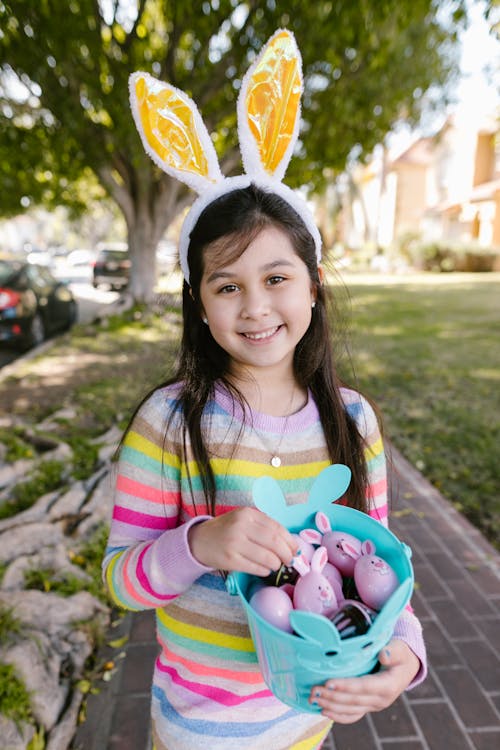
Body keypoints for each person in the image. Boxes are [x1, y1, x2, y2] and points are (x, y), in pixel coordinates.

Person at [103, 29, 426, 750]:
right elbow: (122, 580)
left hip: (308, 726)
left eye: (276, 278)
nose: (254, 307)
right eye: (227, 286)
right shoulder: (170, 422)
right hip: (195, 733)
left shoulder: (352, 420)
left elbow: (382, 570)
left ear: (312, 284)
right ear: (200, 302)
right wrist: (200, 543)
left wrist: (402, 655)